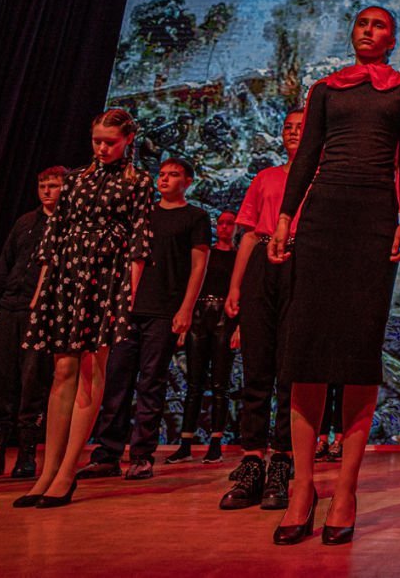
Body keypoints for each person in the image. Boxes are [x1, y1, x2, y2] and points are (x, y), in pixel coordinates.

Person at [270, 5, 400, 546]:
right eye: (363, 23)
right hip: (322, 217)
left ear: (392, 39)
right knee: (306, 352)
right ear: (352, 33)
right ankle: (302, 488)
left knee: (359, 352)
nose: (369, 31)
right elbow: (307, 155)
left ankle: (347, 491)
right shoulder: (325, 90)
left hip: (373, 219)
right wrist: (285, 217)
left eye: (380, 26)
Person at [16, 108, 155, 508]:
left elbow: (139, 241)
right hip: (67, 273)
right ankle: (47, 471)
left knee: (91, 369)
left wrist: (128, 295)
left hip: (106, 276)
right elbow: (54, 232)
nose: (102, 148)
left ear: (128, 139)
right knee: (62, 369)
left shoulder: (137, 181)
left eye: (110, 142)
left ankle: (66, 472)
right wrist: (43, 288)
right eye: (97, 140)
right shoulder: (76, 179)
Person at [81, 157, 210, 480]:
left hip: (164, 309)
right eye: (162, 174)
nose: (164, 179)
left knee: (151, 382)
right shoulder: (143, 214)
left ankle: (141, 456)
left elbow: (198, 266)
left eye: (173, 175)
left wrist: (186, 308)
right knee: (117, 380)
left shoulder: (195, 217)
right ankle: (108, 454)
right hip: (130, 307)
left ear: (188, 182)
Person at [220, 110, 305, 512]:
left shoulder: (319, 179)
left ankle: (283, 459)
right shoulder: (265, 177)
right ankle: (252, 458)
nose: (293, 132)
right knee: (257, 365)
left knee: (290, 367)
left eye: (301, 127)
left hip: (300, 262)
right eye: (288, 127)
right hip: (262, 263)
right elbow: (250, 235)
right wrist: (235, 286)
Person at [0, 166, 64, 479]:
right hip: (9, 307)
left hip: (40, 313)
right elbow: (3, 265)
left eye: (53, 185)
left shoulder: (68, 226)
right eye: (42, 185)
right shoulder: (25, 222)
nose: (47, 191)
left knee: (33, 381)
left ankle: (26, 454)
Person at [170, 208, 238, 464]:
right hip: (199, 316)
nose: (225, 227)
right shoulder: (205, 254)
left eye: (230, 223)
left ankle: (216, 443)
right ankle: (185, 443)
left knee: (220, 383)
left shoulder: (239, 257)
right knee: (194, 383)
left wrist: (239, 327)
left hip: (224, 317)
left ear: (236, 228)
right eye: (221, 223)